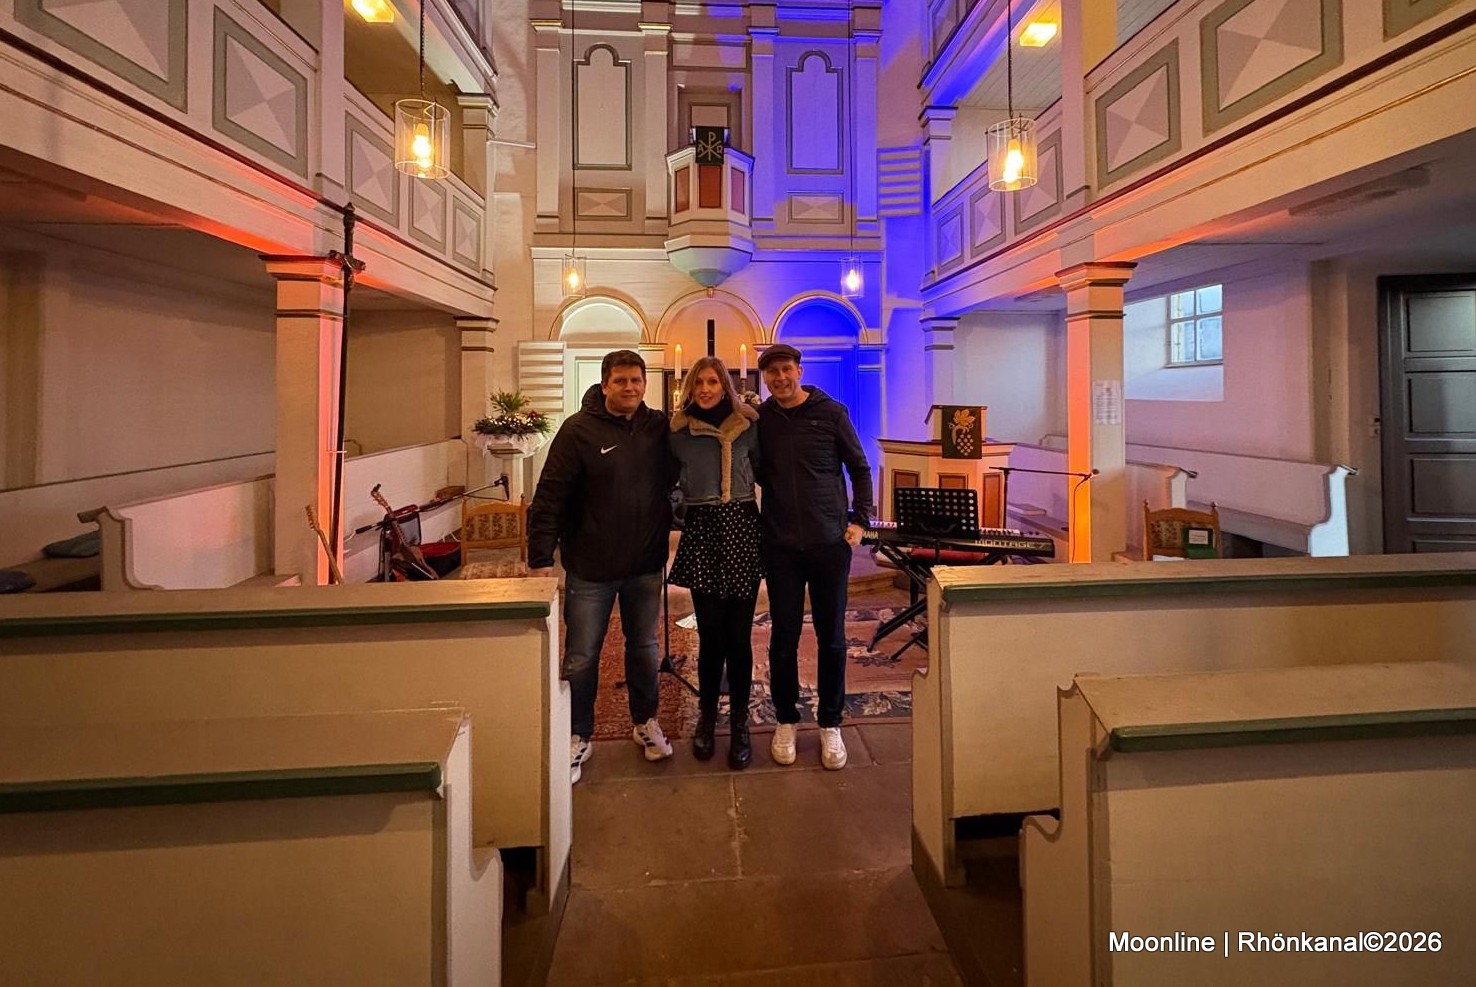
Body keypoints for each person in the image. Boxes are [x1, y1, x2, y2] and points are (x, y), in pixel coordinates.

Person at [527, 349, 675, 784]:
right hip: (591, 566)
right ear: (605, 383)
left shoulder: (657, 427)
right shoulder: (578, 431)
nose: (630, 387)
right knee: (581, 656)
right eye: (621, 380)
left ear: (645, 383)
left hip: (644, 564)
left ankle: (645, 721)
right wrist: (540, 558)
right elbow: (550, 495)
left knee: (644, 648)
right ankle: (578, 733)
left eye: (636, 380)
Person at [755, 343, 874, 770]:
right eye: (772, 373)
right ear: (765, 378)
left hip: (828, 543)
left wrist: (860, 521)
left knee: (832, 637)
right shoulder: (762, 420)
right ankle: (786, 719)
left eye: (786, 369)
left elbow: (859, 468)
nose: (780, 378)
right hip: (781, 545)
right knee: (783, 637)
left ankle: (830, 722)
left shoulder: (832, 413)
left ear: (799, 371)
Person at [668, 356, 763, 769]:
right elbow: (664, 481)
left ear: (725, 386)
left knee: (739, 638)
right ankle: (707, 718)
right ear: (690, 387)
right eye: (699, 382)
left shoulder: (749, 426)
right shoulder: (678, 432)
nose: (705, 389)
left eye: (712, 382)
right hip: (703, 529)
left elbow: (769, 473)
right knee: (710, 637)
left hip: (741, 526)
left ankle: (740, 722)